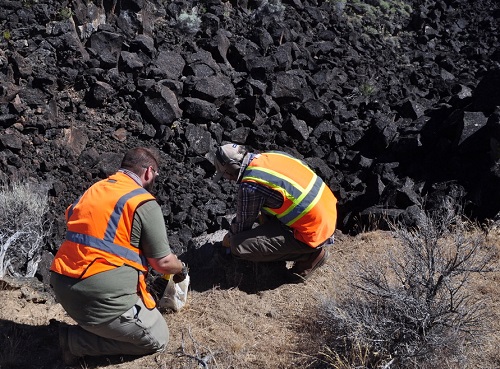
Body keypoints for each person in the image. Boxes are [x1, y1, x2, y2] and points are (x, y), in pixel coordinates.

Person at [50, 147, 188, 365]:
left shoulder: (95, 189)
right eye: (156, 175)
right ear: (149, 172)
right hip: (96, 293)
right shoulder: (143, 201)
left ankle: (98, 325)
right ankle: (74, 342)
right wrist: (181, 270)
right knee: (158, 338)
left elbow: (75, 219)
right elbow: (162, 262)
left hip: (63, 283)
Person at [213, 143, 337, 281]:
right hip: (328, 213)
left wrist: (228, 239)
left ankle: (309, 255)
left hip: (313, 233)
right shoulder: (272, 155)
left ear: (231, 167)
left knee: (238, 245)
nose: (227, 178)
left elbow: (242, 226)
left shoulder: (250, 184)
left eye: (224, 174)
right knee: (264, 212)